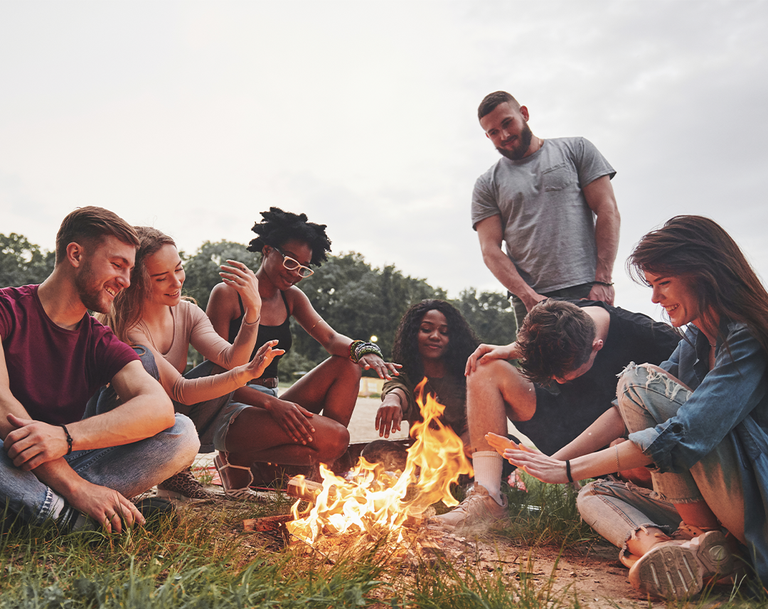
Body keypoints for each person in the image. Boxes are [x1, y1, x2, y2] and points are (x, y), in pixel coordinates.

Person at [500, 216, 768, 599]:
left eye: (663, 284)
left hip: (754, 501)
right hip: (712, 501)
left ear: (705, 274)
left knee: (637, 378)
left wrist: (569, 468)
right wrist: (552, 465)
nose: (656, 299)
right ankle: (681, 553)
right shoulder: (696, 338)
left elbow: (682, 435)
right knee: (594, 495)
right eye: (652, 286)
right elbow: (621, 409)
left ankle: (697, 540)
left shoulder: (748, 337)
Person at [102, 226, 347, 502]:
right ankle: (148, 475)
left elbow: (231, 359)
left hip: (172, 418)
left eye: (179, 269)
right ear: (136, 280)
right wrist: (245, 375)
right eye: (161, 278)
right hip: (123, 429)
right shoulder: (130, 329)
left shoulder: (187, 312)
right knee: (199, 384)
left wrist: (252, 312)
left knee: (221, 370)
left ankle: (184, 470)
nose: (176, 283)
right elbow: (180, 391)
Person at [0, 207, 199, 533]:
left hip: (60, 460)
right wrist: (78, 489)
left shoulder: (97, 340)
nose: (126, 280)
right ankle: (78, 520)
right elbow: (3, 407)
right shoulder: (7, 309)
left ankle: (40, 510)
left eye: (130, 270)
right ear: (76, 254)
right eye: (117, 265)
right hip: (11, 456)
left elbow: (160, 408)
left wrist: (64, 438)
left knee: (181, 432)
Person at [432, 298, 679, 531]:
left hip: (617, 446)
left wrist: (557, 464)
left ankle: (624, 502)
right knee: (485, 366)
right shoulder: (559, 317)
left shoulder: (654, 339)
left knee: (631, 447)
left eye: (563, 375)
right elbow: (542, 345)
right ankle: (487, 499)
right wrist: (509, 350)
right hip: (564, 424)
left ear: (597, 347)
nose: (557, 381)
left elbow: (634, 415)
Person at [206, 207, 400, 489]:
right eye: (289, 262)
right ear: (267, 250)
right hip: (231, 405)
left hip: (271, 400)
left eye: (303, 268)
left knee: (347, 363)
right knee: (337, 439)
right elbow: (213, 377)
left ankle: (288, 466)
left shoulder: (292, 298)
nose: (295, 273)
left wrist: (364, 350)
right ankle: (238, 455)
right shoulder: (227, 294)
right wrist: (272, 404)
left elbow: (332, 340)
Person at [472, 90, 620, 331]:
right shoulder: (487, 183)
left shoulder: (576, 149)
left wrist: (602, 279)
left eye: (507, 123)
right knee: (540, 370)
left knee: (600, 365)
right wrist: (528, 296)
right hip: (531, 300)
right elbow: (489, 249)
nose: (504, 135)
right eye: (493, 132)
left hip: (586, 289)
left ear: (524, 113)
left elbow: (608, 210)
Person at [376, 300, 480, 449]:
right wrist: (392, 399)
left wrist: (457, 451)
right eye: (426, 329)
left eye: (444, 332)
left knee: (509, 442)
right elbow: (397, 386)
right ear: (412, 334)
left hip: (462, 455)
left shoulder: (468, 374)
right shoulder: (406, 373)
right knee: (376, 449)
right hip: (421, 457)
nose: (435, 336)